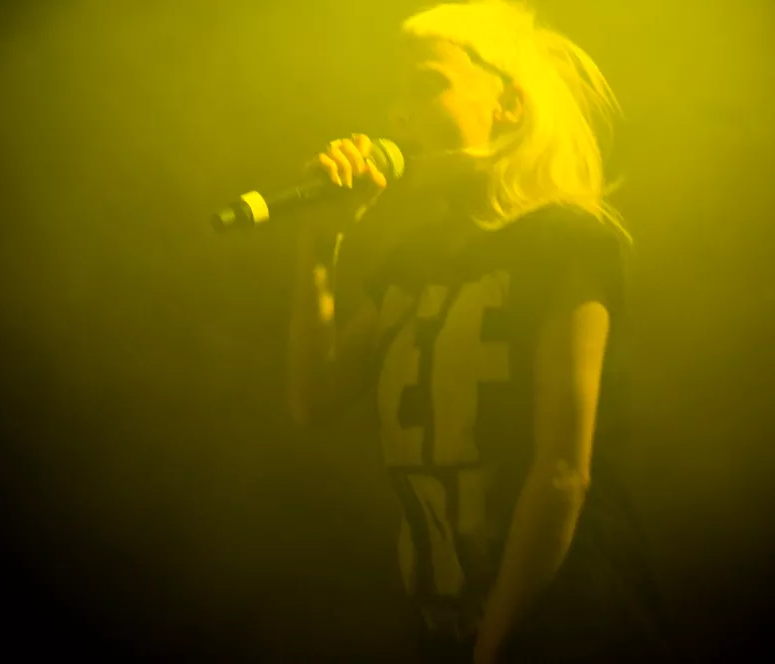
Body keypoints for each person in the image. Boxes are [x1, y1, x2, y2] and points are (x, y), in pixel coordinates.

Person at [287, 1, 671, 661]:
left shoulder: (566, 240)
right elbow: (315, 401)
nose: (397, 115)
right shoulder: (413, 259)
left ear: (509, 105)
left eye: (427, 85)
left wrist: (495, 641)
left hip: (563, 625)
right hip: (446, 622)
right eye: (395, 95)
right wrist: (321, 247)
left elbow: (562, 471)